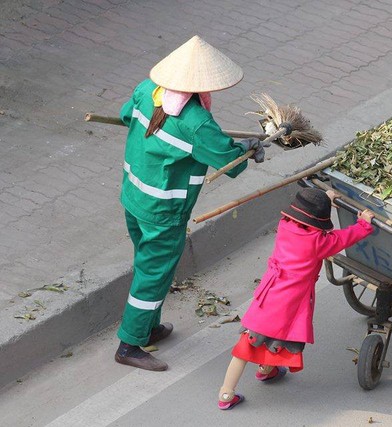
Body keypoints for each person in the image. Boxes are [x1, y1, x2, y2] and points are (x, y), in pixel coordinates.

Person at [115, 35, 268, 371]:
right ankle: (129, 343)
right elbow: (229, 161)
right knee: (153, 274)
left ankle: (147, 326)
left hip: (134, 196)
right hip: (163, 211)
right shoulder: (196, 121)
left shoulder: (146, 90)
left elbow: (127, 116)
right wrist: (249, 151)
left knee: (150, 266)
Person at [217, 187, 375, 410]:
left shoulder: (285, 226)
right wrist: (364, 224)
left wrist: (325, 200)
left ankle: (229, 391)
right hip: (290, 302)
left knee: (248, 343)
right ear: (319, 223)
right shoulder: (318, 242)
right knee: (279, 337)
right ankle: (257, 374)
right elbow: (344, 238)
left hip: (269, 292)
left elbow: (310, 221)